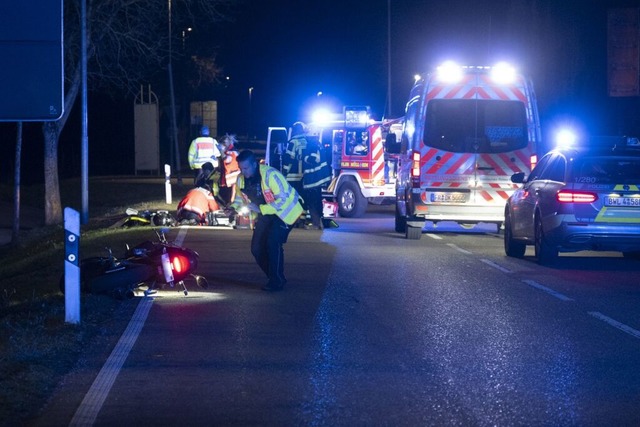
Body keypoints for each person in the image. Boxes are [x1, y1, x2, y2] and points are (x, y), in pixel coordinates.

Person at [229, 150, 303, 291]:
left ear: (255, 164)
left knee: (273, 242)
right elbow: (239, 198)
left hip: (286, 214)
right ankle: (275, 277)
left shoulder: (271, 175)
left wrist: (261, 209)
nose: (243, 172)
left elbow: (283, 200)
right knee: (256, 249)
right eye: (240, 168)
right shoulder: (240, 179)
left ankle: (276, 280)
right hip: (265, 214)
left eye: (246, 168)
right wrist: (233, 208)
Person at [302, 136, 332, 229]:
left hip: (313, 180)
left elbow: (314, 159)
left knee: (312, 202)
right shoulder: (317, 144)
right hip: (317, 180)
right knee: (317, 202)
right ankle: (319, 223)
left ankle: (315, 223)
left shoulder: (312, 145)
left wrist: (304, 157)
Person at [219, 134, 240, 205]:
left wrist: (221, 151)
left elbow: (226, 160)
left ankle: (231, 206)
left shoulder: (232, 152)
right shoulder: (229, 151)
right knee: (230, 194)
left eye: (225, 142)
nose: (223, 144)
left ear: (229, 142)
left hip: (233, 177)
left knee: (232, 194)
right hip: (231, 177)